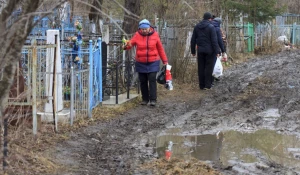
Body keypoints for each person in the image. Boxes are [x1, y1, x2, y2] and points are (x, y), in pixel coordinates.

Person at [123, 19, 168, 106]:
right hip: (141, 62)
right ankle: (145, 99)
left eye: (145, 29)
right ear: (140, 29)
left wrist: (165, 61)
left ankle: (153, 99)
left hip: (153, 61)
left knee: (152, 79)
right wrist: (125, 46)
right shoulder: (137, 35)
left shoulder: (155, 35)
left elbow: (160, 49)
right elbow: (130, 44)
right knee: (143, 80)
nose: (144, 31)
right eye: (142, 29)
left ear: (149, 28)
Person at [191, 12, 219, 90]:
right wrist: (217, 51)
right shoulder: (211, 27)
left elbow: (193, 40)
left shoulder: (197, 27)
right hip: (210, 50)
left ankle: (201, 85)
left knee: (201, 67)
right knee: (209, 67)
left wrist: (193, 51)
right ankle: (207, 85)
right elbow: (214, 40)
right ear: (210, 19)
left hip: (200, 50)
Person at [211, 17, 226, 83]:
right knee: (215, 63)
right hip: (215, 49)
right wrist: (223, 51)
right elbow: (220, 40)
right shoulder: (217, 29)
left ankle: (209, 79)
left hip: (206, 48)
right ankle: (215, 76)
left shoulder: (209, 26)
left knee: (209, 64)